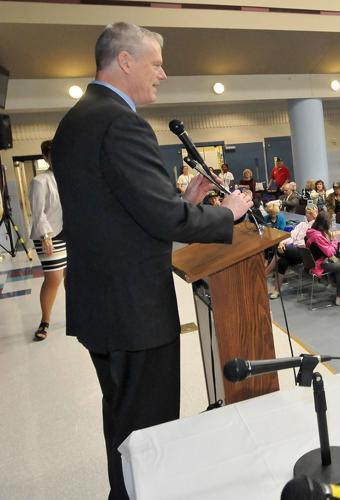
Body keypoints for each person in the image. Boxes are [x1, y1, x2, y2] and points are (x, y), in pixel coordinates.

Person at [51, 22, 252, 500]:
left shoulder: (77, 120)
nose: (163, 73)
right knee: (148, 435)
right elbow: (160, 219)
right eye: (156, 62)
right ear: (125, 61)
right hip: (134, 314)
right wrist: (224, 213)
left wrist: (183, 198)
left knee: (122, 424)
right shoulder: (121, 122)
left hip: (102, 309)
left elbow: (117, 211)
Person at [28, 140, 66, 342]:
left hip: (72, 233)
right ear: (46, 157)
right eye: (53, 155)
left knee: (74, 278)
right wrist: (45, 235)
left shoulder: (70, 178)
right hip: (50, 235)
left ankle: (78, 315)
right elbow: (37, 212)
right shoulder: (40, 181)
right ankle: (45, 321)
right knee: (54, 279)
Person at [266, 203, 317, 299]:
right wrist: (282, 242)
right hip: (294, 250)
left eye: (310, 212)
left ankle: (267, 271)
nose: (308, 214)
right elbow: (292, 236)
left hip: (304, 252)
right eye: (307, 212)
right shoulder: (301, 224)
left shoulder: (315, 226)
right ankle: (277, 290)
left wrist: (315, 217)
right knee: (282, 261)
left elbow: (308, 243)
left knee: (284, 251)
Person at [305, 212, 340, 306]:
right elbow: (330, 252)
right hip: (318, 264)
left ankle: (334, 284)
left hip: (314, 261)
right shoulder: (317, 236)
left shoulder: (312, 231)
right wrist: (334, 239)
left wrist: (329, 236)